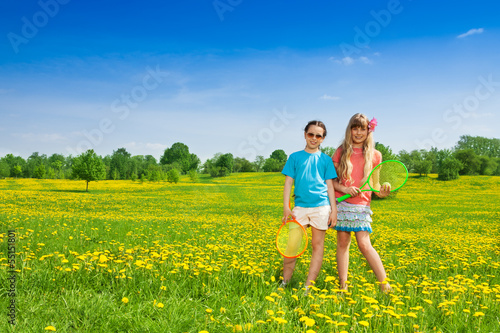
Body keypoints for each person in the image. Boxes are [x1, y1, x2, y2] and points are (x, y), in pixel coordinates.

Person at [331, 113, 392, 293]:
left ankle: (385, 285)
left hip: (362, 205)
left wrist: (381, 192)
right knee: (342, 244)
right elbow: (331, 182)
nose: (358, 132)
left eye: (362, 128)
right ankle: (343, 285)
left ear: (368, 131)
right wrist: (344, 189)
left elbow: (374, 185)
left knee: (364, 244)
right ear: (350, 130)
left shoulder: (375, 155)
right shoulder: (340, 151)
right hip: (341, 203)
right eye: (354, 128)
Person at [281, 120, 338, 292]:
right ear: (305, 135)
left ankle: (308, 287)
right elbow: (288, 183)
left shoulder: (326, 160)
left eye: (318, 136)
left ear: (323, 138)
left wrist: (333, 210)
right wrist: (286, 206)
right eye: (310, 134)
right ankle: (285, 282)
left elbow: (330, 186)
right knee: (292, 245)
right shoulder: (295, 157)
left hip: (321, 207)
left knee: (317, 246)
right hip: (300, 207)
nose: (314, 138)